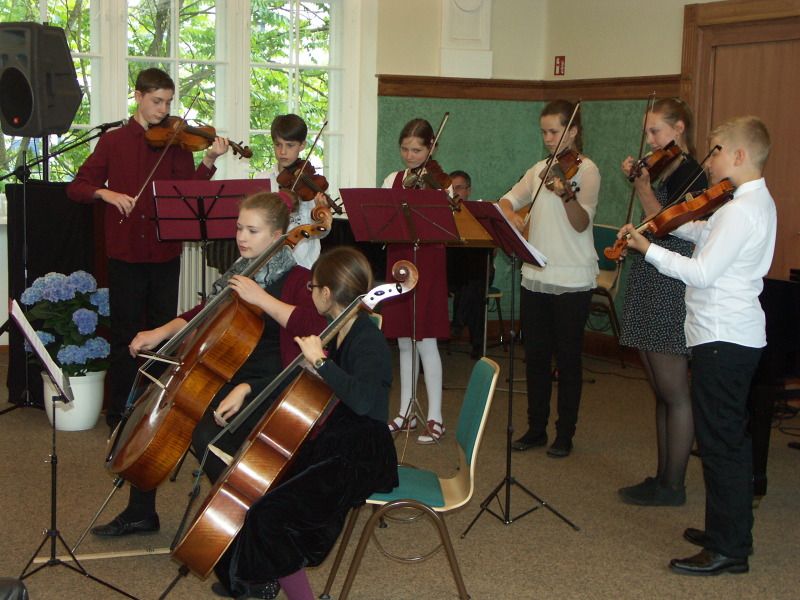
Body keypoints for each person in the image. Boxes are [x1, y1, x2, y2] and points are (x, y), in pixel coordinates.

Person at [90, 191, 327, 536]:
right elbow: (206, 312)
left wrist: (260, 303)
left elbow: (311, 334)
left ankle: (249, 523)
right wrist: (160, 331)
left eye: (253, 231)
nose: (242, 237)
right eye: (239, 228)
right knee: (160, 407)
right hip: (224, 369)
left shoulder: (297, 281)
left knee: (207, 436)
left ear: (277, 236)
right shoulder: (241, 270)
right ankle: (140, 512)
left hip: (267, 381)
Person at [620, 116, 776, 575]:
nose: (710, 161)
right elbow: (706, 235)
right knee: (722, 438)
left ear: (740, 156)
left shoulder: (744, 209)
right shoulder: (739, 204)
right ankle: (726, 530)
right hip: (723, 335)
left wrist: (646, 249)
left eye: (717, 151)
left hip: (723, 338)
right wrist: (673, 226)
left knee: (721, 443)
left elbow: (702, 272)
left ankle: (729, 549)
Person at [212, 246, 398, 600]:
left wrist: (323, 364)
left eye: (312, 287)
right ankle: (257, 579)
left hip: (361, 454)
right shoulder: (339, 326)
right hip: (338, 439)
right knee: (265, 491)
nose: (309, 292)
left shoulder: (367, 338)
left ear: (327, 294)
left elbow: (363, 401)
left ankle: (284, 591)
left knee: (272, 515)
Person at [67, 67, 230, 432]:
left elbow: (188, 193)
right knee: (126, 334)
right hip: (124, 253)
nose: (163, 110)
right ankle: (118, 416)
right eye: (157, 101)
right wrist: (106, 193)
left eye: (169, 102)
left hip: (164, 253)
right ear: (138, 96)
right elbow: (78, 186)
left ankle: (152, 411)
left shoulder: (176, 143)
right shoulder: (113, 141)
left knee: (161, 333)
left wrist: (208, 162)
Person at [617, 98, 708, 506]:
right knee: (660, 389)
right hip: (651, 274)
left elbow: (669, 227)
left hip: (670, 282)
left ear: (678, 129)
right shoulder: (664, 166)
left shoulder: (691, 171)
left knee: (675, 391)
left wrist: (641, 189)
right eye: (648, 132)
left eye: (655, 131)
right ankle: (662, 476)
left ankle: (674, 484)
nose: (650, 140)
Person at [498, 99, 600, 458]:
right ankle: (536, 428)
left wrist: (565, 193)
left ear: (572, 131)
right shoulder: (539, 169)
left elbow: (580, 223)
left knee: (568, 358)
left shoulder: (586, 171)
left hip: (572, 277)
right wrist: (513, 217)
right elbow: (507, 201)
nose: (547, 138)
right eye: (544, 132)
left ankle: (565, 433)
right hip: (537, 273)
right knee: (536, 356)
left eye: (554, 131)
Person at [382, 118, 450, 444]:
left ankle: (435, 416)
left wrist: (439, 192)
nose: (410, 156)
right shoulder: (391, 180)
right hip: (400, 262)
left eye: (417, 150)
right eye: (405, 149)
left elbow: (451, 212)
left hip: (429, 262)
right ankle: (406, 410)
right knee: (404, 341)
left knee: (426, 339)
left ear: (430, 148)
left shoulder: (440, 183)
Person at [255, 113, 331, 269]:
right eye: (278, 145)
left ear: (302, 146)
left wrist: (322, 211)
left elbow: (323, 233)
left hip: (305, 263)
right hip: (268, 262)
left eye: (290, 145)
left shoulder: (312, 184)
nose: (282, 152)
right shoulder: (262, 180)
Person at [447, 170, 493, 359]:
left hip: (478, 270)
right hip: (449, 270)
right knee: (470, 284)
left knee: (474, 284)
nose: (456, 192)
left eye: (459, 188)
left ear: (469, 190)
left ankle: (457, 325)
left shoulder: (478, 214)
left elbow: (492, 247)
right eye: (452, 188)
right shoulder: (443, 212)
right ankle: (466, 333)